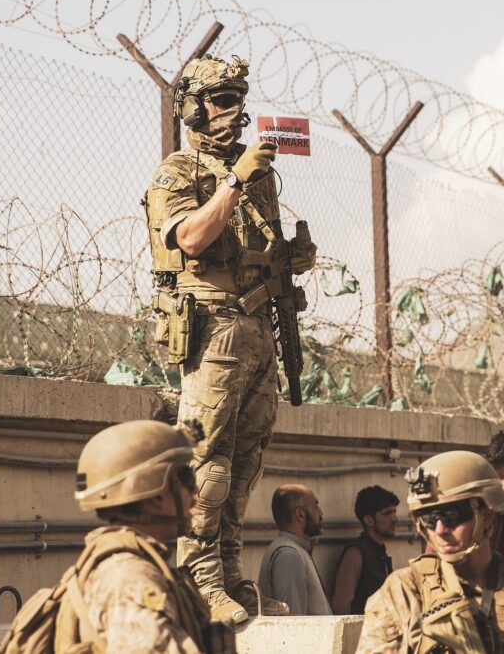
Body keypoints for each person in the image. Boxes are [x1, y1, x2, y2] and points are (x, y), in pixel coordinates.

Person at [145, 53, 316, 623]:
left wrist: (292, 257)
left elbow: (257, 251)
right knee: (207, 462)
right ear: (191, 107)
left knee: (245, 462)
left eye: (238, 98)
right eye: (221, 100)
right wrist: (235, 181)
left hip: (258, 328)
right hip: (212, 329)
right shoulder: (178, 172)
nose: (234, 111)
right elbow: (191, 239)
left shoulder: (260, 175)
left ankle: (232, 578)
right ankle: (199, 581)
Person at [0, 419, 231, 653]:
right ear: (156, 495)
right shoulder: (129, 578)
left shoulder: (130, 566)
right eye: (186, 478)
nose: (194, 491)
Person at [358, 450, 504, 653]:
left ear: (486, 514)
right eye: (430, 519)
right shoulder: (402, 592)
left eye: (453, 516)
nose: (440, 530)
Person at [257, 484, 332, 615]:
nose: (321, 513)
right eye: (315, 506)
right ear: (300, 514)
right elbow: (292, 623)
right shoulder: (289, 555)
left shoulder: (295, 550)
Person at [332, 485, 399, 615]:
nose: (395, 519)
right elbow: (341, 606)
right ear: (369, 520)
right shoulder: (355, 553)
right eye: (387, 513)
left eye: (394, 512)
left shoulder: (380, 552)